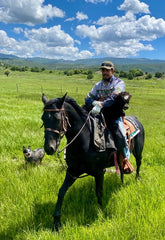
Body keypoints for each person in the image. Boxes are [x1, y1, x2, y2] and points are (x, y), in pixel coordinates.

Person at [85, 61, 130, 166]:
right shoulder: (97, 85)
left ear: (112, 71)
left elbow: (113, 98)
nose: (104, 72)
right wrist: (95, 103)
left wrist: (101, 104)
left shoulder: (119, 83)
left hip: (114, 115)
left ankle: (125, 159)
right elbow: (88, 99)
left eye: (107, 70)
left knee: (121, 134)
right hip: (99, 115)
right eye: (103, 70)